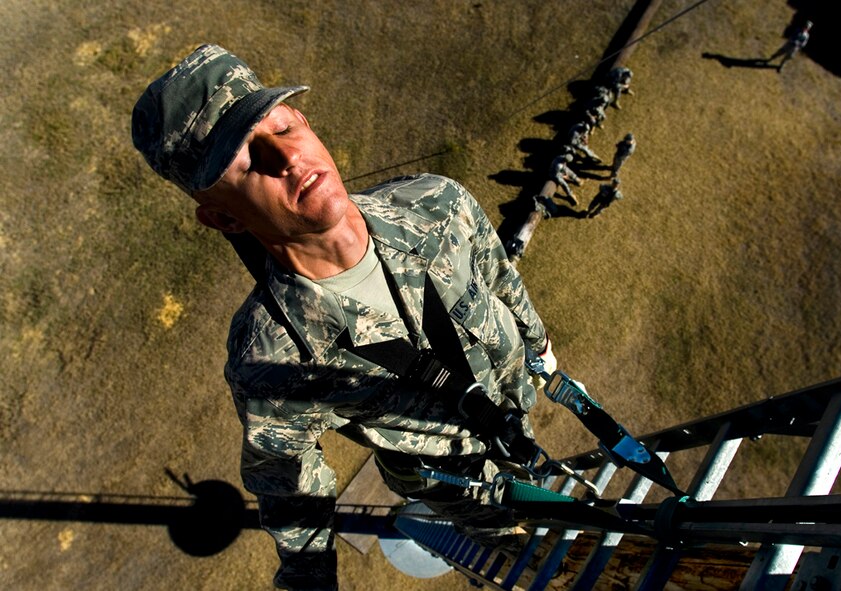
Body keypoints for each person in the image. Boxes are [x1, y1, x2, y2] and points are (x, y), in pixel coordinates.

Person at [131, 44, 557, 591]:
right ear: (221, 218)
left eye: (281, 127)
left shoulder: (437, 204)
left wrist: (539, 346)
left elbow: (499, 277)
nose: (285, 158)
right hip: (457, 485)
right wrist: (310, 577)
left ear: (304, 122)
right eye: (245, 162)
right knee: (535, 557)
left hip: (518, 407)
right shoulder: (272, 361)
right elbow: (289, 489)